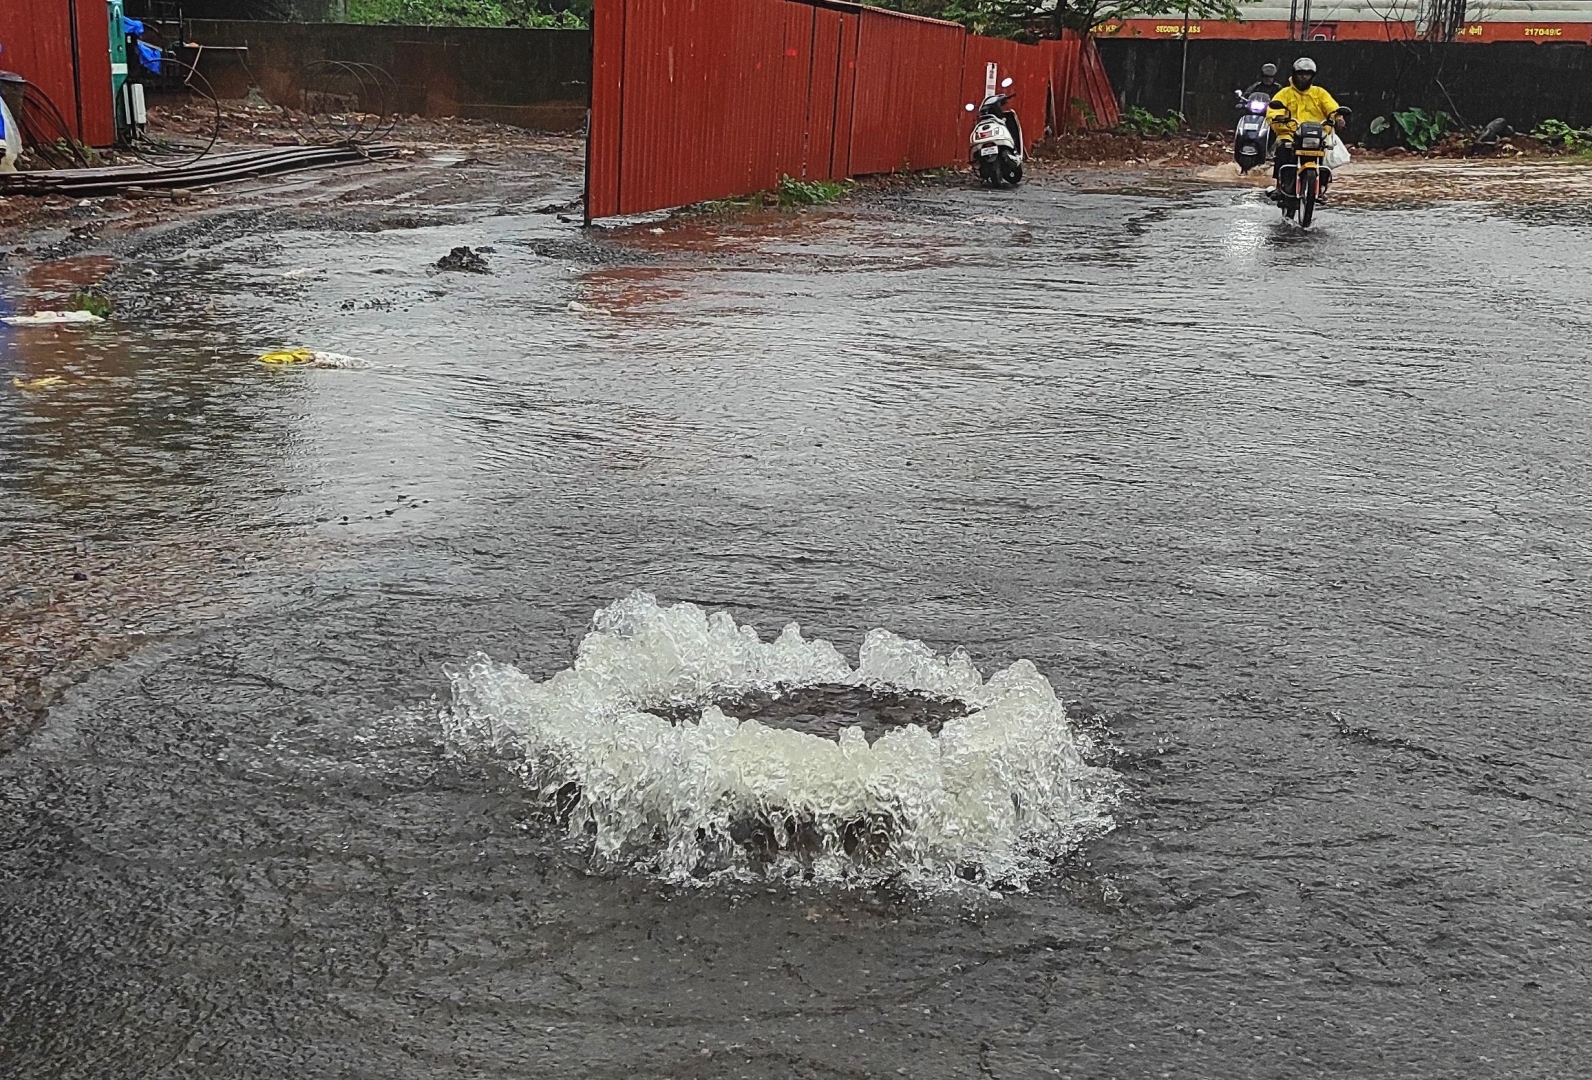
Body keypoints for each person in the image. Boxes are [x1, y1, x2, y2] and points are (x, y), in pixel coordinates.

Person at [1266, 57, 1346, 200]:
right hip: (1290, 133)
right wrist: (1278, 118)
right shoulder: (1284, 93)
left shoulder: (1319, 93)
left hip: (1316, 134)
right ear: (1294, 74)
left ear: (1312, 76)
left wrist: (1338, 117)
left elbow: (1331, 107)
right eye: (1301, 73)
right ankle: (1279, 186)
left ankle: (1320, 188)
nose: (1304, 77)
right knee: (1283, 149)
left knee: (1324, 152)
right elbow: (1273, 110)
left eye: (1308, 74)